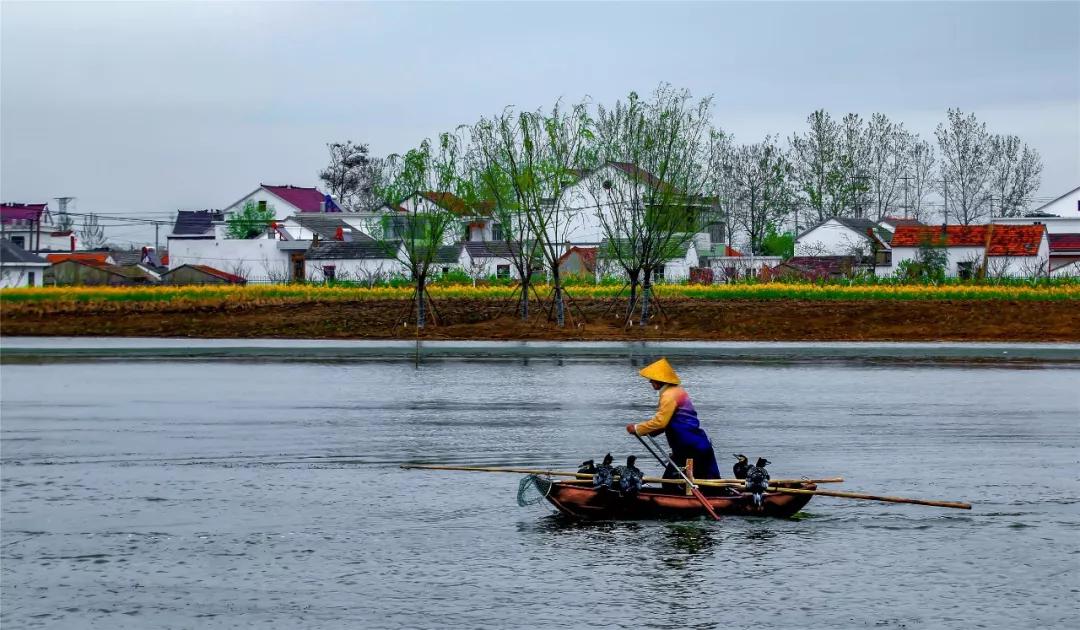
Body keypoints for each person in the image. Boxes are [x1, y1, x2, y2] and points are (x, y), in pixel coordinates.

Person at [625, 358, 721, 481]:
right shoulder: (678, 391)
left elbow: (661, 422)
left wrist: (637, 428)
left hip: (688, 447)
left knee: (671, 482)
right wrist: (647, 431)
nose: (650, 381)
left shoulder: (669, 395)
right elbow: (667, 423)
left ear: (660, 380)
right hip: (698, 443)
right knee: (706, 480)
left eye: (652, 379)